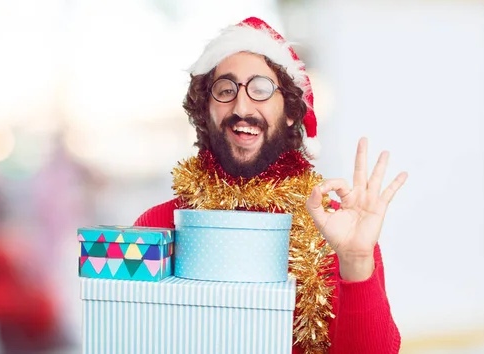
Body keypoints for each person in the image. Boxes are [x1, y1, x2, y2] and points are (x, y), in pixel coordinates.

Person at [135, 17, 408, 354]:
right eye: (225, 90)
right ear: (206, 110)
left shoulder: (339, 232)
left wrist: (355, 260)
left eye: (261, 89)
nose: (242, 107)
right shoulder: (157, 228)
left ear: (291, 111)